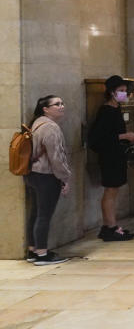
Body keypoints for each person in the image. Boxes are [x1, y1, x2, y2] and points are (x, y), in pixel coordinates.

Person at [88, 75, 134, 241]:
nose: (124, 94)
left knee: (114, 191)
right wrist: (125, 135)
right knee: (110, 191)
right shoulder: (106, 111)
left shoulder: (116, 109)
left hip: (117, 156)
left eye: (125, 91)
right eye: (121, 91)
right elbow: (97, 138)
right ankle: (110, 227)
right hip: (109, 157)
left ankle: (110, 225)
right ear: (111, 92)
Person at [24, 95, 71, 265]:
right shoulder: (50, 128)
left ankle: (33, 250)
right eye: (57, 104)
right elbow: (56, 158)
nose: (61, 106)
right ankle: (42, 254)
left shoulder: (36, 123)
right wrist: (65, 178)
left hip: (32, 174)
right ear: (45, 108)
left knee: (36, 213)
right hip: (46, 176)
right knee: (44, 215)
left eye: (62, 103)